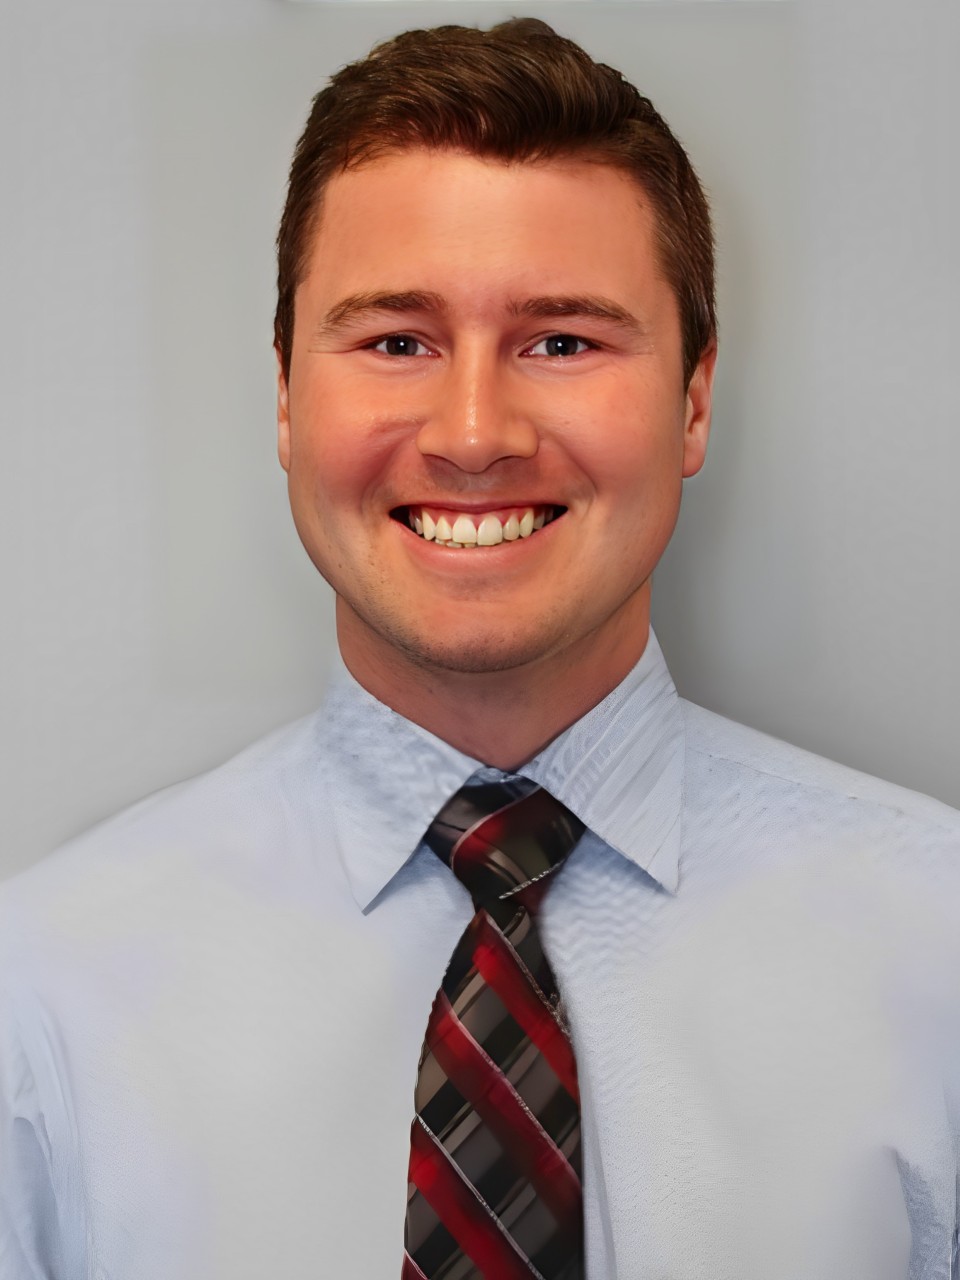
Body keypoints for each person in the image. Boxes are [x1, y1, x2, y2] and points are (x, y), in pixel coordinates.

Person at [2, 17, 959, 1280]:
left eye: (563, 340)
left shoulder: (938, 947)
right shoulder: (42, 991)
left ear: (694, 400)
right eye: (396, 339)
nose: (471, 432)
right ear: (287, 395)